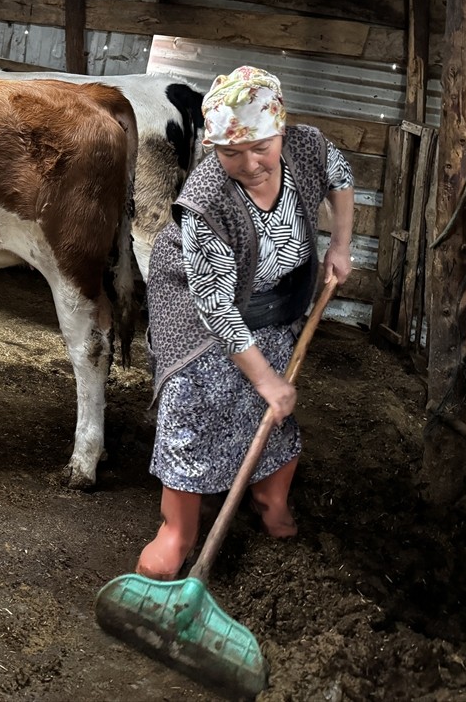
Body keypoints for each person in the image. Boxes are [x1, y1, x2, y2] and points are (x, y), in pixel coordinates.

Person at [136, 65, 355, 581]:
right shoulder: (206, 200)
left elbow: (340, 179)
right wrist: (266, 378)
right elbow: (215, 307)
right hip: (198, 311)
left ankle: (269, 498)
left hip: (277, 304)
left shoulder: (306, 147)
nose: (249, 163)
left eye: (260, 147)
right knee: (195, 404)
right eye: (230, 152)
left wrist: (342, 244)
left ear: (280, 128)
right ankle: (177, 533)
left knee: (269, 409)